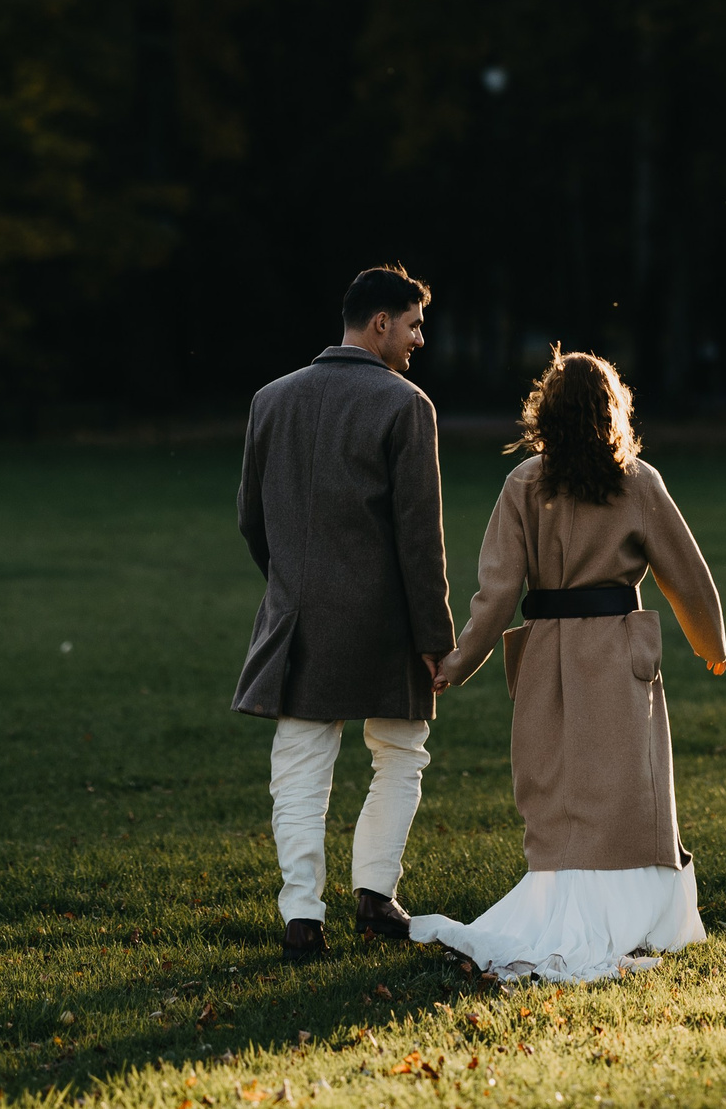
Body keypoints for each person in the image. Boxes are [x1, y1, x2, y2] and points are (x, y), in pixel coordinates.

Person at [409, 349, 726, 982]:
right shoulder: (638, 481)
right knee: (624, 787)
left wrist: (457, 662)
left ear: (545, 413)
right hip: (616, 651)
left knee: (556, 784)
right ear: (613, 411)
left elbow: (496, 592)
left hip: (550, 652)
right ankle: (633, 916)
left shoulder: (524, 483)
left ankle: (562, 906)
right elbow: (685, 576)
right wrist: (710, 643)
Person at [232, 264, 455, 963]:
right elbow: (420, 538)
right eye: (414, 324)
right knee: (400, 751)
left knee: (299, 763)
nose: (420, 339)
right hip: (382, 622)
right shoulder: (406, 405)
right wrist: (434, 636)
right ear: (380, 322)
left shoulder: (270, 399)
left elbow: (250, 520)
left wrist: (294, 582)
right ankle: (375, 895)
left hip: (294, 617)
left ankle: (302, 914)